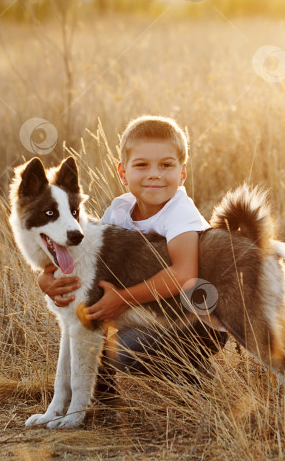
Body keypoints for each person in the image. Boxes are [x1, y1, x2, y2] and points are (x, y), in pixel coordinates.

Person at [37, 115, 227, 384]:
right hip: (146, 312)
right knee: (84, 320)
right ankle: (100, 401)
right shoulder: (119, 210)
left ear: (182, 173)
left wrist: (121, 300)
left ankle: (195, 378)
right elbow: (86, 256)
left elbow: (184, 273)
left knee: (125, 351)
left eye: (166, 165)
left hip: (195, 319)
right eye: (141, 165)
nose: (154, 174)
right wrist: (46, 279)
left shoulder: (180, 212)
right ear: (123, 173)